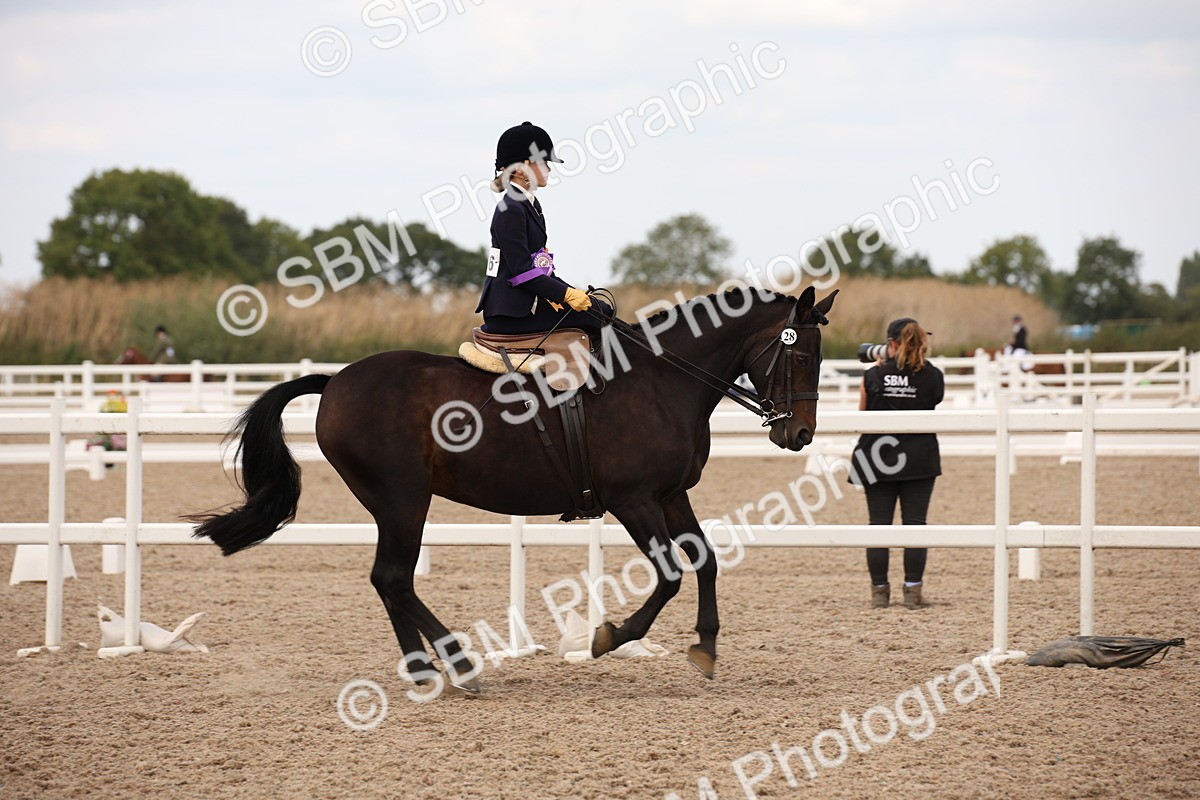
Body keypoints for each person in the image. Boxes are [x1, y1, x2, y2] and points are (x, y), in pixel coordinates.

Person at [475, 121, 611, 335]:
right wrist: (565, 294)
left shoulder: (530, 206)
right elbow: (521, 270)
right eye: (544, 162)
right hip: (511, 312)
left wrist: (573, 292)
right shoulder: (510, 209)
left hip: (527, 302)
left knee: (599, 309)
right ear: (521, 170)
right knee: (600, 313)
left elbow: (541, 266)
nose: (549, 168)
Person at [851, 318, 944, 609]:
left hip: (877, 458)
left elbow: (863, 414)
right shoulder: (934, 376)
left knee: (878, 526)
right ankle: (912, 591)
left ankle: (880, 591)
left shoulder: (872, 375)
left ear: (891, 344)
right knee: (915, 526)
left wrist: (883, 374)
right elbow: (934, 401)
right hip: (919, 458)